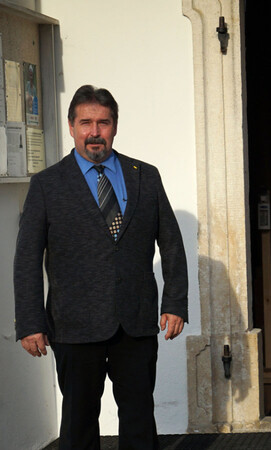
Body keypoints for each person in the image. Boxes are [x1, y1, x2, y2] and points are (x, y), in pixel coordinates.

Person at [14, 85, 188, 450]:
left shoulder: (146, 176)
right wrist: (31, 323)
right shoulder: (47, 185)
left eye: (103, 123)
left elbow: (170, 243)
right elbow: (27, 257)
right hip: (73, 325)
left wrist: (174, 303)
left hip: (136, 320)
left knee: (139, 415)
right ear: (71, 126)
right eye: (86, 123)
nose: (95, 131)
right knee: (78, 420)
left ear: (115, 126)